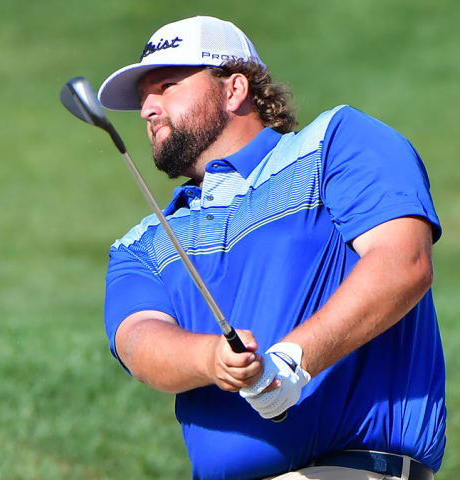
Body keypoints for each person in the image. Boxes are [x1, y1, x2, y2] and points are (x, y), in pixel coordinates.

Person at [99, 15, 445, 480]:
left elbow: (404, 262)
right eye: (144, 98)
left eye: (167, 85)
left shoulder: (336, 144)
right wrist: (213, 360)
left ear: (234, 88)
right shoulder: (142, 243)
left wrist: (292, 362)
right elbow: (138, 340)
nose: (148, 109)